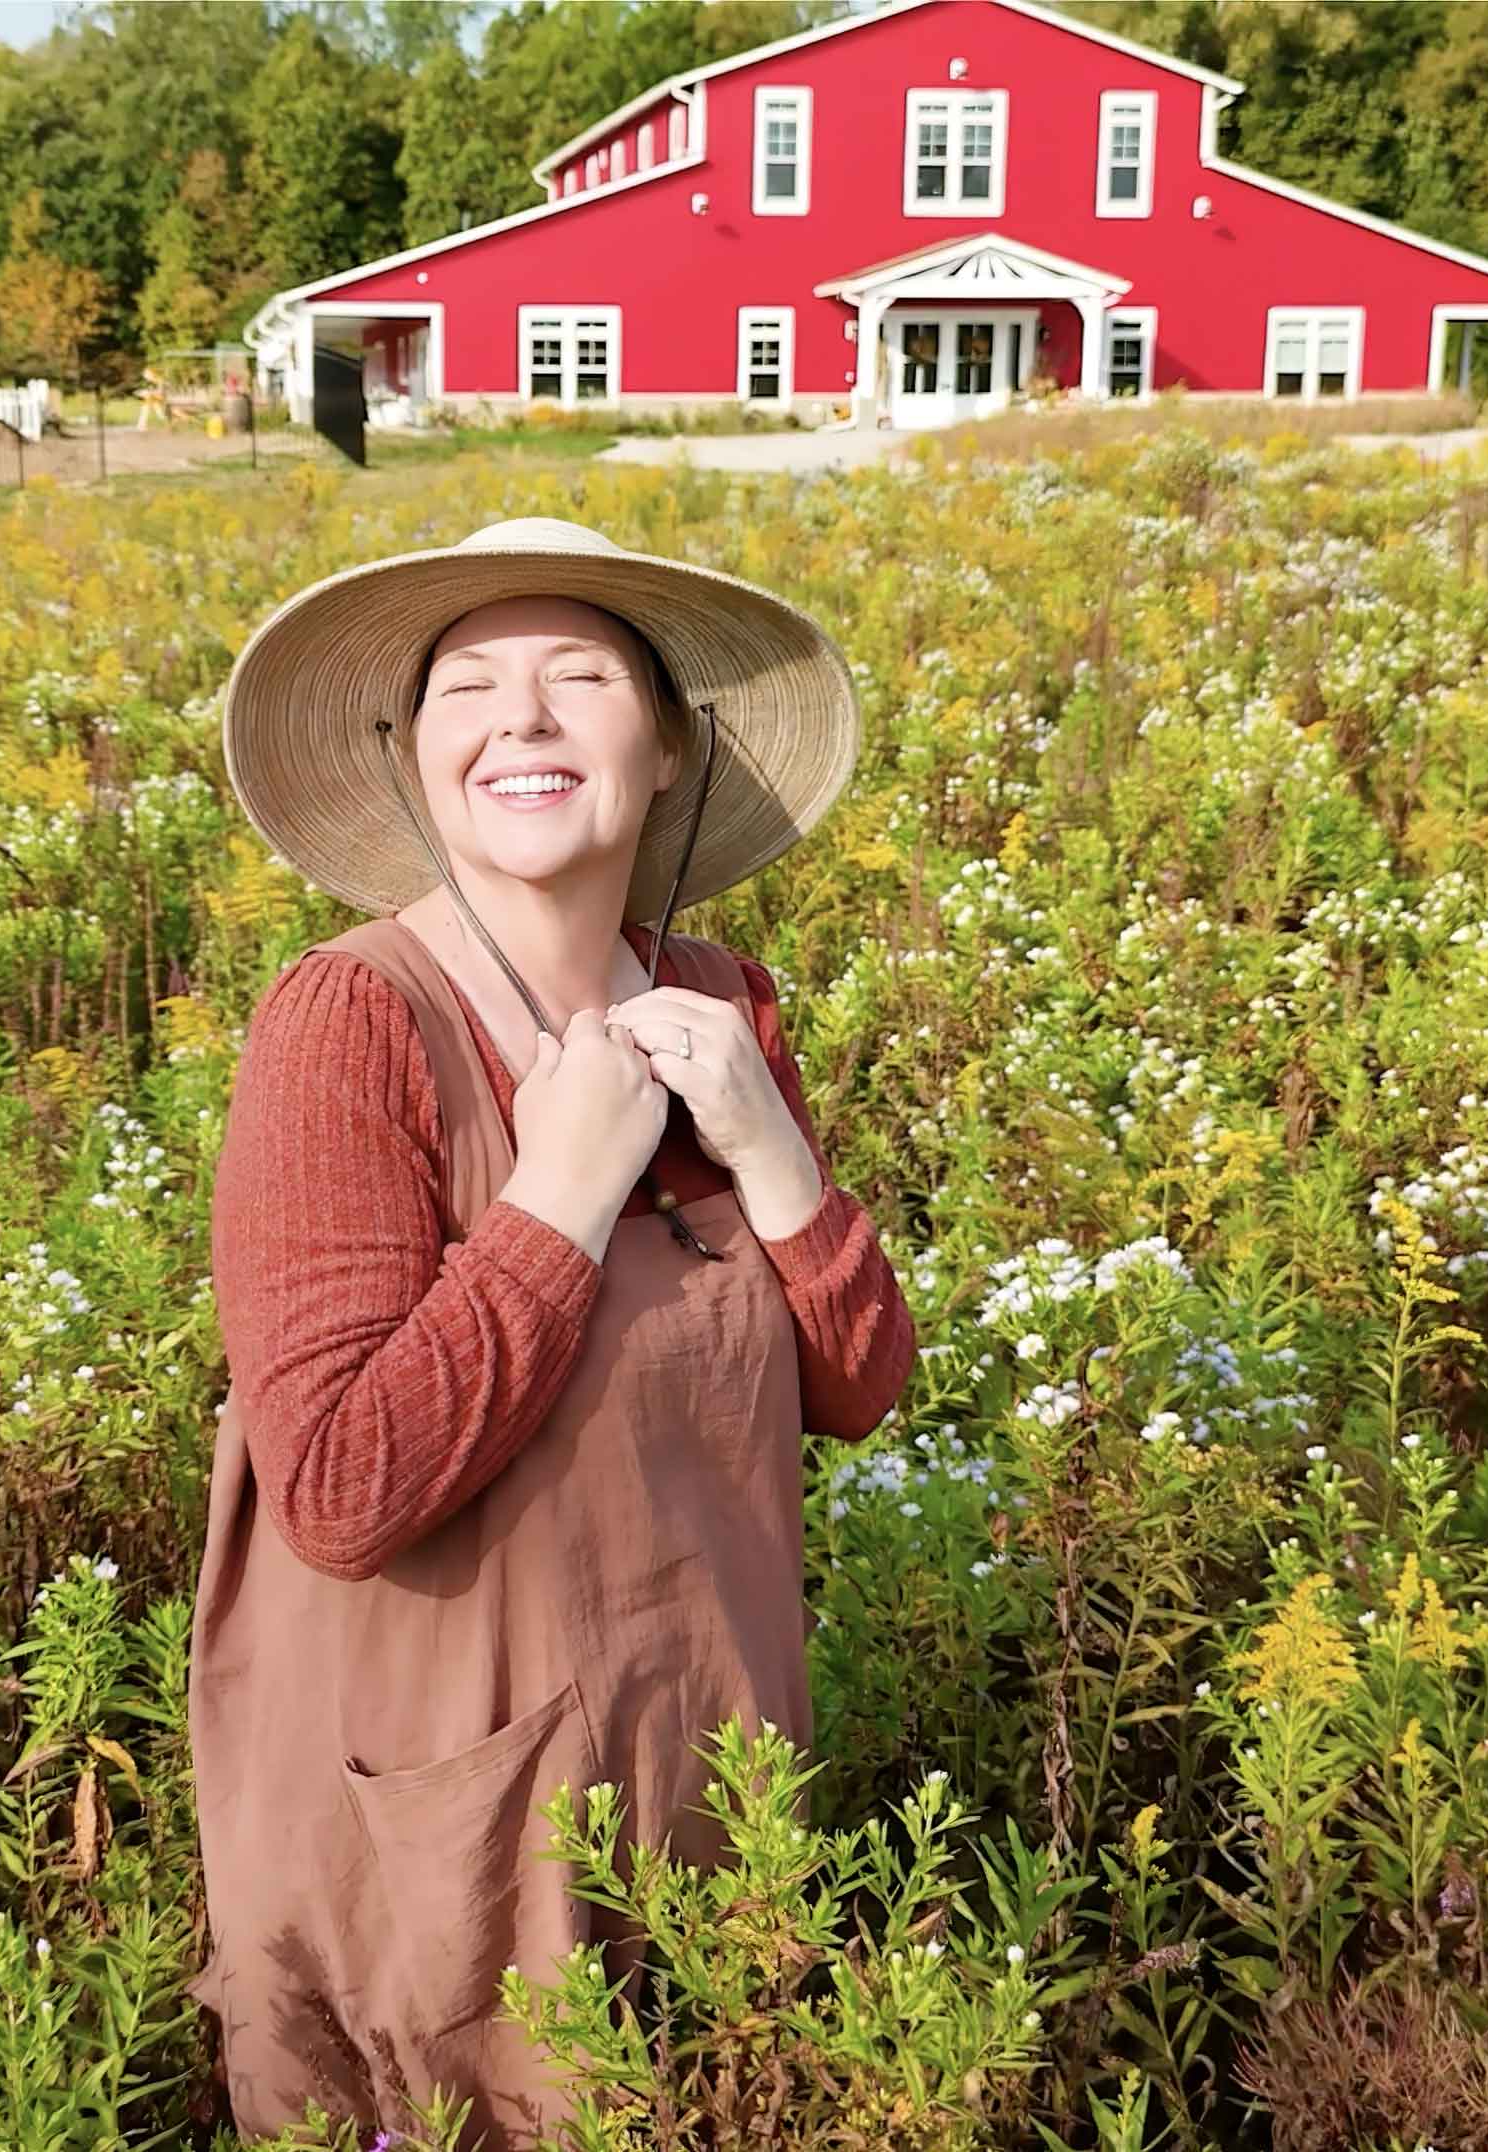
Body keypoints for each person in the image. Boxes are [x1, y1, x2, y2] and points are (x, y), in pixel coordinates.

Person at [186, 516, 916, 2149]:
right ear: (416, 758)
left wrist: (771, 1151)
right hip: (450, 1803)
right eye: (469, 686)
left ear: (665, 752)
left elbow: (857, 1389)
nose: (521, 719)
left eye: (580, 678)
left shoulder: (723, 1001)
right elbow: (342, 1487)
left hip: (703, 1759)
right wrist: (563, 1190)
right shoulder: (353, 1017)